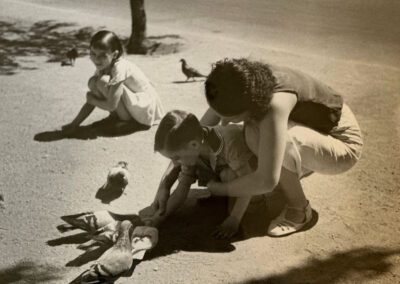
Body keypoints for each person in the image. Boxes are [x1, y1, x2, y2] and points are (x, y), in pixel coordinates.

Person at [153, 58, 363, 237]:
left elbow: (266, 180)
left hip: (341, 141)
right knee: (255, 134)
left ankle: (299, 210)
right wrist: (164, 185)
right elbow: (192, 135)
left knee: (259, 136)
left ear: (242, 107)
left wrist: (222, 189)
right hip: (314, 129)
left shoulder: (273, 106)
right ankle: (289, 179)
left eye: (226, 117)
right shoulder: (238, 82)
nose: (221, 121)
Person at [140, 110, 257, 239]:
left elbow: (250, 182)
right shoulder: (192, 152)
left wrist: (234, 219)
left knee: (227, 175)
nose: (175, 163)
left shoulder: (229, 143)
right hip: (226, 174)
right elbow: (180, 191)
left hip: (254, 176)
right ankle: (225, 200)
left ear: (194, 144)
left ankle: (246, 208)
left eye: (176, 157)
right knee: (222, 176)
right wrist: (158, 218)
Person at [62, 30, 164, 134]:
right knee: (93, 82)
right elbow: (93, 97)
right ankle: (116, 117)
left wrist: (92, 100)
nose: (97, 59)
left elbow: (110, 105)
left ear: (114, 55)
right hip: (133, 105)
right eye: (93, 53)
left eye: (102, 55)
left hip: (145, 110)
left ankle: (127, 122)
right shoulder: (103, 66)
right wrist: (74, 124)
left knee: (103, 81)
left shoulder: (120, 68)